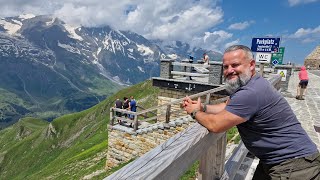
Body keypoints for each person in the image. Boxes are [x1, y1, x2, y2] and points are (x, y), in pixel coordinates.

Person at [183, 45, 320, 180]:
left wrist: (194, 112)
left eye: (235, 65)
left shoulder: (250, 92)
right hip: (278, 160)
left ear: (252, 64)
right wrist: (203, 108)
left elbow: (215, 125)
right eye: (226, 66)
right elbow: (227, 106)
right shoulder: (253, 83)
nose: (229, 70)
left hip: (294, 166)